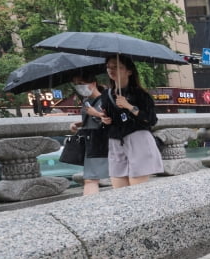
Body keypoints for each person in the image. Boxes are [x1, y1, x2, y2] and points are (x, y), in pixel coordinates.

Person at [101, 55, 162, 187]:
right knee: (119, 189)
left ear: (129, 71)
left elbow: (151, 120)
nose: (111, 70)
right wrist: (104, 119)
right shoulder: (107, 95)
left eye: (116, 67)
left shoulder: (140, 94)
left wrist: (129, 106)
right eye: (108, 67)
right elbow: (108, 119)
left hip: (137, 139)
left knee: (137, 190)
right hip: (115, 141)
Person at [68, 71, 110, 195]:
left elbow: (109, 119)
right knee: (92, 178)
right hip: (90, 140)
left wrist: (95, 113)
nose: (78, 87)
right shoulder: (87, 101)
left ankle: (91, 207)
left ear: (93, 83)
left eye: (81, 83)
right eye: (75, 84)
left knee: (91, 179)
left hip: (101, 140)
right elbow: (92, 118)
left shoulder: (105, 99)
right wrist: (78, 124)